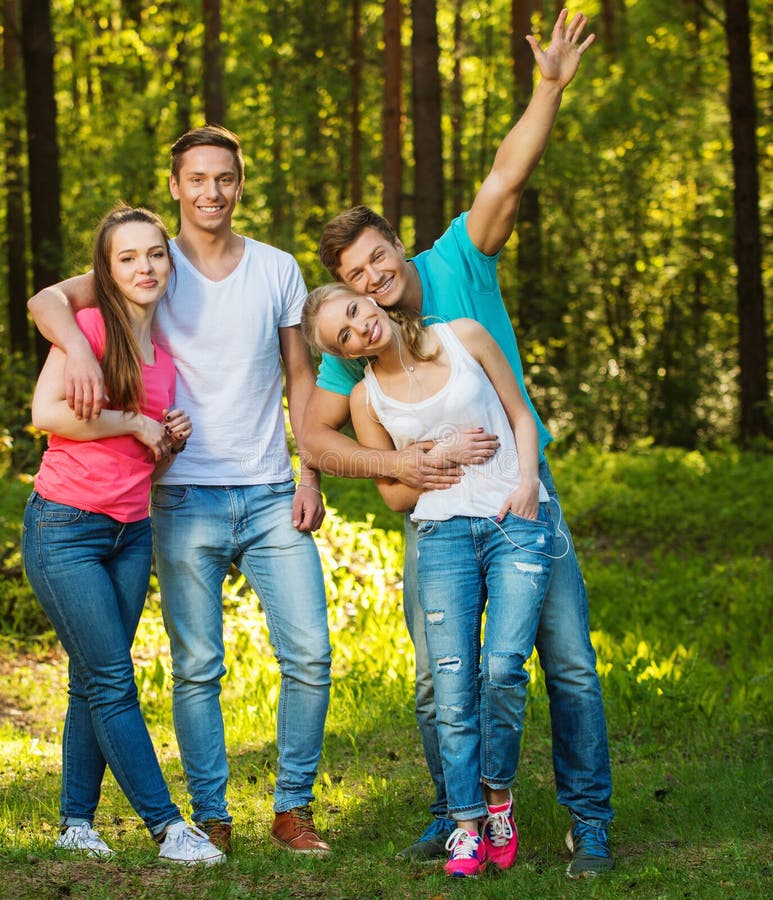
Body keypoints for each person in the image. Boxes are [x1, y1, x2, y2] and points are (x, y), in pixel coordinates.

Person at [301, 9, 614, 878]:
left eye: (375, 260)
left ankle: (589, 822)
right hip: (441, 522)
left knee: (569, 669)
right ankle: (454, 819)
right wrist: (395, 465)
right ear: (347, 299)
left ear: (394, 243)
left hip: (519, 501)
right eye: (354, 279)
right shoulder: (355, 349)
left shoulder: (454, 265)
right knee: (441, 682)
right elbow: (319, 436)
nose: (372, 282)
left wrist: (547, 85)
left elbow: (506, 178)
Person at [27, 126, 332, 857]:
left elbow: (300, 376)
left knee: (310, 654)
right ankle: (202, 818)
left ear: (240, 181)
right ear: (175, 186)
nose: (211, 192)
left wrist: (310, 467)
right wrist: (76, 350)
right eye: (196, 179)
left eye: (224, 178)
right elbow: (49, 301)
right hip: (170, 501)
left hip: (257, 492)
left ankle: (290, 810)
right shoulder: (143, 271)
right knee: (191, 666)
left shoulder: (271, 268)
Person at [304, 285, 559, 876]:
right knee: (451, 683)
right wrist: (440, 452)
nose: (358, 327)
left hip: (513, 519)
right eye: (342, 335)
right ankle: (467, 825)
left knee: (502, 668)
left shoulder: (463, 335)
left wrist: (527, 485)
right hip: (441, 535)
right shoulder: (367, 400)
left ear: (368, 302)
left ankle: (499, 797)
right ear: (344, 354)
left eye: (353, 312)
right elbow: (394, 495)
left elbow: (521, 413)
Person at [22, 205, 225, 866]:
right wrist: (131, 423)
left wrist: (164, 443)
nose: (144, 267)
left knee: (91, 677)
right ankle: (168, 829)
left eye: (155, 255)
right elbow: (47, 413)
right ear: (106, 271)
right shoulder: (87, 328)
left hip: (130, 533)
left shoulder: (161, 360)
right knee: (113, 679)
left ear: (170, 263)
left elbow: (143, 460)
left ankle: (76, 824)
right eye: (128, 257)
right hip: (65, 529)